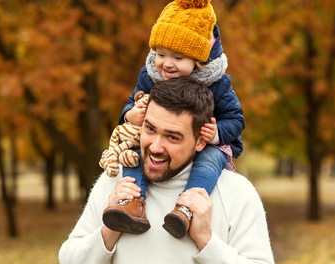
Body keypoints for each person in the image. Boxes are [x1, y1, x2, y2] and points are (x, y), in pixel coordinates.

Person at [59, 77, 279, 264]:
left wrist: (206, 240)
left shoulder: (235, 192)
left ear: (200, 141)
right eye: (150, 129)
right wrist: (109, 229)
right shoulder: (117, 183)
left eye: (172, 137)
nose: (155, 146)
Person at [102, 0, 245, 239]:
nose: (167, 64)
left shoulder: (218, 83)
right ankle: (132, 201)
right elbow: (130, 102)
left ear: (197, 59)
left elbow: (236, 119)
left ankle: (186, 209)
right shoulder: (150, 75)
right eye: (160, 54)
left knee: (209, 161)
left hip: (209, 143)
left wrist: (216, 132)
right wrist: (131, 113)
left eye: (178, 58)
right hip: (159, 138)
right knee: (138, 151)